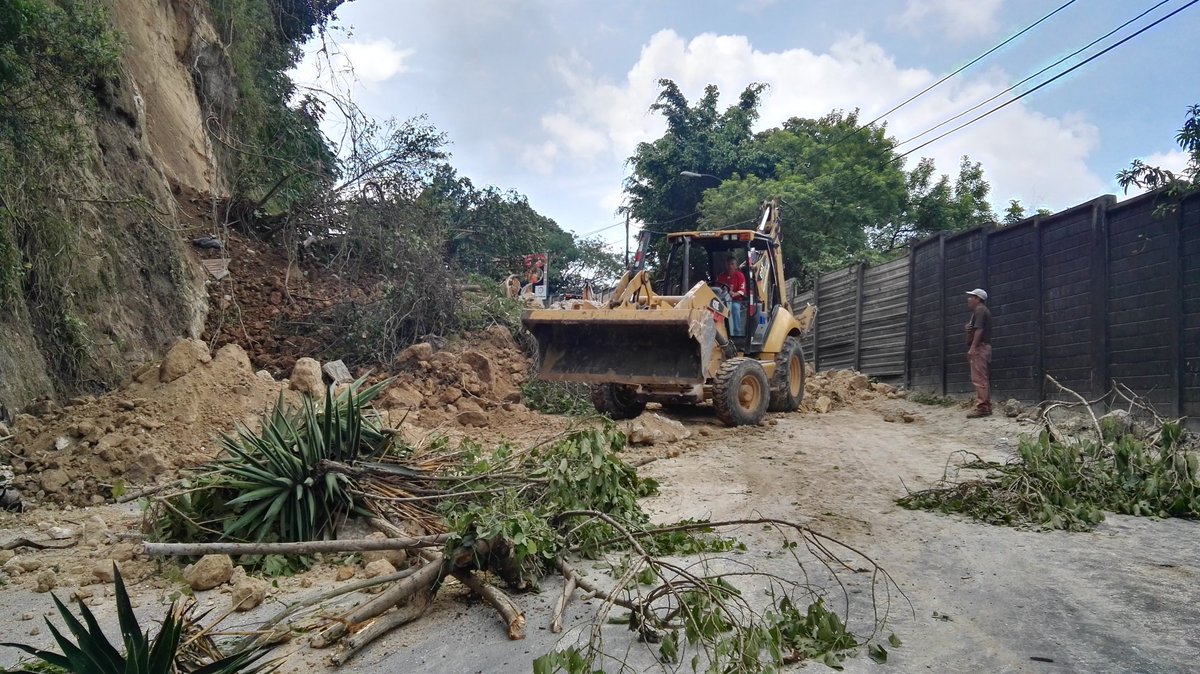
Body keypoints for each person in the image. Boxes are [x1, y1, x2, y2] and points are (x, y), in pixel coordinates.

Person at [964, 288, 992, 418]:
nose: (969, 299)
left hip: (980, 348)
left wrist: (973, 347)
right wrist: (968, 327)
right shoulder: (980, 311)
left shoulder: (980, 310)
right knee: (982, 377)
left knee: (979, 378)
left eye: (971, 297)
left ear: (977, 299)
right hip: (982, 347)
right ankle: (986, 406)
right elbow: (976, 328)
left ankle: (982, 408)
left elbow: (979, 330)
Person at [717, 256, 747, 337]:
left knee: (735, 308)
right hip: (723, 301)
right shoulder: (721, 276)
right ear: (725, 265)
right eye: (728, 264)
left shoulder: (740, 275)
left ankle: (737, 334)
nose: (730, 266)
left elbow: (742, 290)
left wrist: (734, 294)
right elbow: (718, 289)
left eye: (732, 264)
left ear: (736, 265)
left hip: (736, 300)